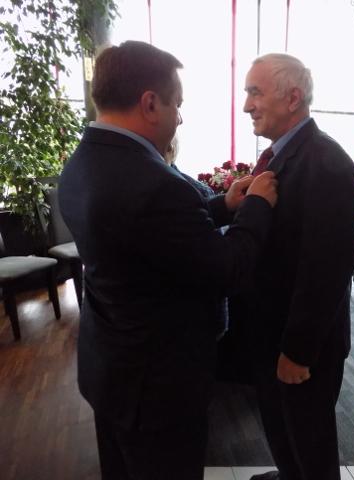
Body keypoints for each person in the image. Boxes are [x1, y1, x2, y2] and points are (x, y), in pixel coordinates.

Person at [58, 40, 277, 480]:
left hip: (111, 368)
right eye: (177, 104)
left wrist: (221, 206)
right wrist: (256, 207)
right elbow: (227, 269)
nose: (179, 118)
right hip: (157, 388)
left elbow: (147, 236)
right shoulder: (153, 182)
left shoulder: (82, 162)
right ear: (150, 103)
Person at [241, 53, 354, 480]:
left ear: (293, 98)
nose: (247, 105)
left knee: (311, 449)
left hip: (302, 345)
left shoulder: (326, 163)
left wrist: (298, 350)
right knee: (282, 433)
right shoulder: (282, 156)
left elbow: (325, 271)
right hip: (271, 333)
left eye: (255, 92)